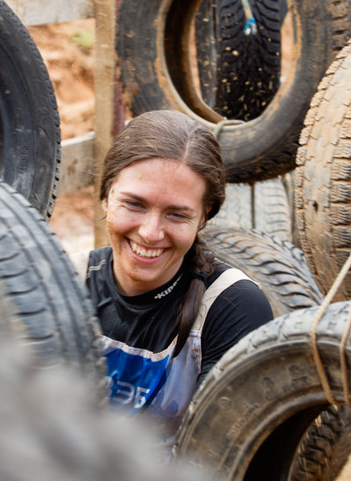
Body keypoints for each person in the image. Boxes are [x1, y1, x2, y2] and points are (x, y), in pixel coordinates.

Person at [84, 109, 273, 454]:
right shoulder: (67, 283)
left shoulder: (231, 307)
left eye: (177, 214)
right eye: (134, 204)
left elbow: (225, 460)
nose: (151, 233)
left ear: (204, 216)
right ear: (106, 197)